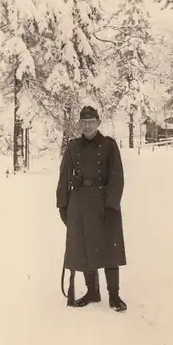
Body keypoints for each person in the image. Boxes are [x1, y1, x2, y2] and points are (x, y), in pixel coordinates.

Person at [56, 106, 127, 312]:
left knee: (109, 248)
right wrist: (63, 205)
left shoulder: (109, 146)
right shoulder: (73, 147)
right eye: (84, 122)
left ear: (98, 122)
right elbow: (63, 178)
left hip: (104, 203)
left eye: (91, 121)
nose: (87, 126)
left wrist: (112, 205)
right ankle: (92, 291)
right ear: (80, 124)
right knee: (86, 248)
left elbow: (117, 176)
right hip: (80, 204)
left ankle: (114, 296)